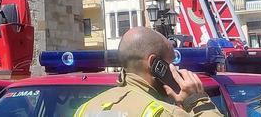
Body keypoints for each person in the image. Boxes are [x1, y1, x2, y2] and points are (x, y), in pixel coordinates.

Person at [76, 27, 224, 117]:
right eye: (171, 63)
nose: (176, 71)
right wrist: (198, 100)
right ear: (155, 64)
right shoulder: (164, 113)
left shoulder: (84, 110)